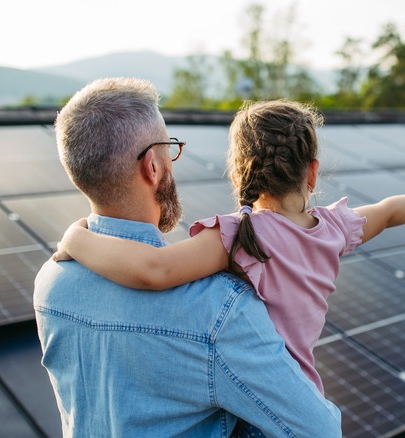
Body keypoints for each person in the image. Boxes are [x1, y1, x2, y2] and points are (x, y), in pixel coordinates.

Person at [55, 97, 405, 390]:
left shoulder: (241, 237)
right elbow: (388, 211)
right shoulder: (334, 229)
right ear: (312, 173)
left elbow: (153, 270)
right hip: (303, 393)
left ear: (239, 174)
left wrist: (76, 238)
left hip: (255, 409)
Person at [34, 78, 342, 438]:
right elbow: (319, 432)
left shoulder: (50, 284)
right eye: (171, 148)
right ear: (152, 166)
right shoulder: (219, 310)